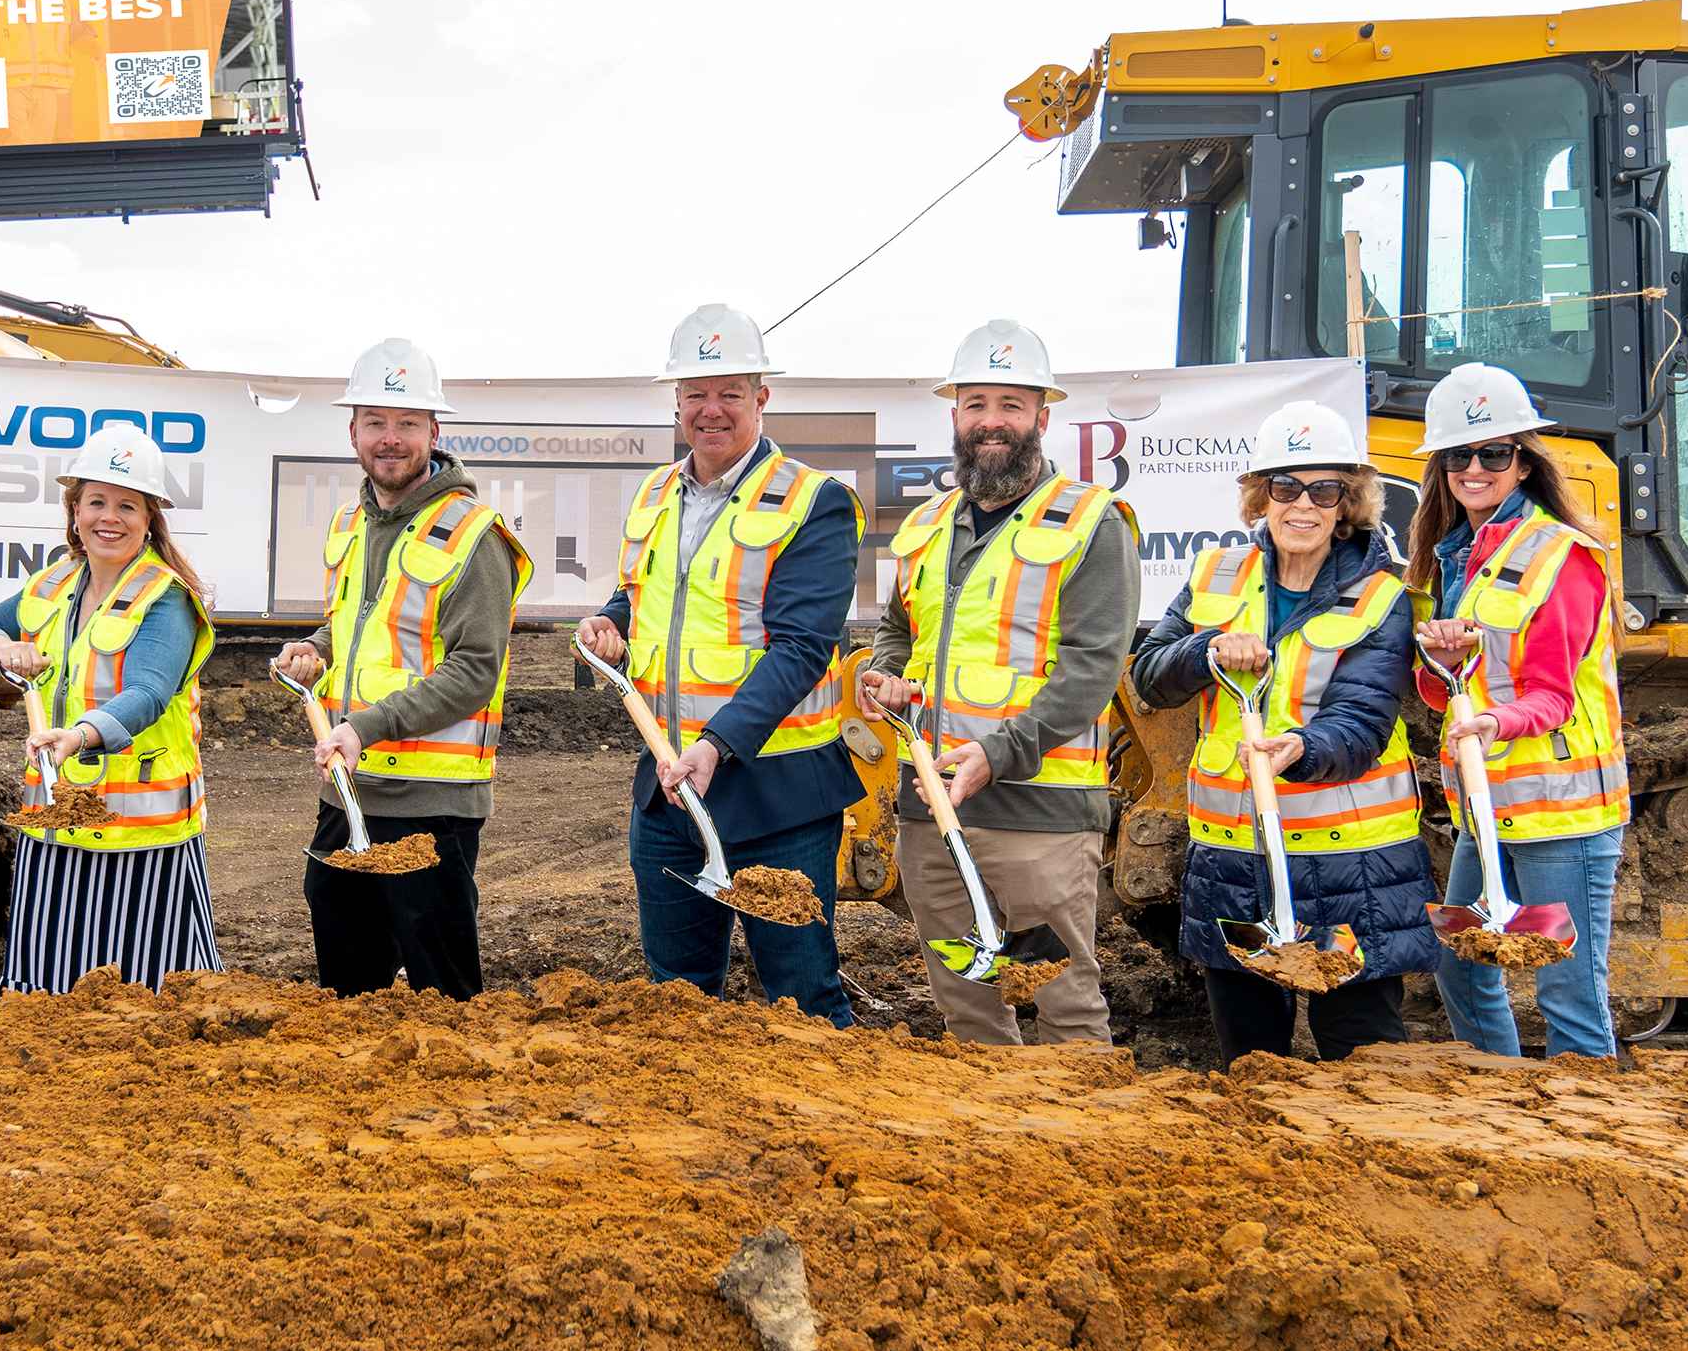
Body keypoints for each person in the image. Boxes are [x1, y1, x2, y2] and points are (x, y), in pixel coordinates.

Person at [578, 304, 863, 1026]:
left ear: (761, 399)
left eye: (730, 392)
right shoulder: (652, 495)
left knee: (802, 1001)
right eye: (696, 393)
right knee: (676, 997)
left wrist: (716, 743)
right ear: (675, 402)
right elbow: (634, 595)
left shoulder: (813, 501)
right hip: (668, 793)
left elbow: (802, 646)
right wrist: (610, 625)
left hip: (779, 799)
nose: (711, 410)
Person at [1128, 401, 1434, 1065]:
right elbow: (1149, 677)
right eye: (1285, 486)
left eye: (1323, 490)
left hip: (1353, 869)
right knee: (1250, 1063)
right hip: (1237, 866)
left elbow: (1364, 720)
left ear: (1345, 502)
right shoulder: (1215, 576)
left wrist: (1300, 747)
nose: (1303, 505)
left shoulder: (1380, 596)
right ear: (1259, 497)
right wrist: (1207, 650)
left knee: (1367, 1064)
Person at [860, 321, 1140, 1045]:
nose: (992, 420)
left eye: (1011, 404)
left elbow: (1094, 665)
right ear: (955, 415)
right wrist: (886, 673)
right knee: (969, 1008)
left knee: (1065, 1006)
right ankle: (992, 1155)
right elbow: (898, 629)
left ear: (1042, 417)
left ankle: (1079, 1151)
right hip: (932, 812)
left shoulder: (1090, 522)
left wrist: (999, 752)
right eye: (976, 402)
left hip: (1038, 817)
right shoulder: (924, 526)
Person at [274, 339, 531, 1000]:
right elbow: (354, 625)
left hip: (432, 802)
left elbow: (475, 668)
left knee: (441, 995)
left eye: (406, 424)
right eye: (376, 423)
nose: (390, 439)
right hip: (349, 791)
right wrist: (315, 649)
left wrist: (366, 725)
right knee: (346, 989)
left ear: (434, 431)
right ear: (353, 429)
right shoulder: (351, 523)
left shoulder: (475, 533)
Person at [1407, 363, 1627, 1059]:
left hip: (1563, 811)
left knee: (1567, 991)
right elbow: (1452, 686)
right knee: (1460, 964)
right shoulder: (1456, 557)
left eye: (1493, 453)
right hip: (1490, 803)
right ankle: (1503, 1107)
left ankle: (1588, 1143)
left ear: (1524, 463)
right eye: (1459, 456)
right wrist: (1438, 660)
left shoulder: (1562, 556)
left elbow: (1553, 696)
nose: (1474, 468)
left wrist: (1494, 722)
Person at [0, 425, 219, 993]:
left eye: (127, 505)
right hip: (56, 819)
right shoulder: (53, 583)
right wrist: (0, 647)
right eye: (96, 502)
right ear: (74, 510)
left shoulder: (166, 596)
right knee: (51, 974)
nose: (110, 517)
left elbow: (149, 693)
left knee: (149, 982)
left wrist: (80, 735)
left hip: (142, 829)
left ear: (150, 517)